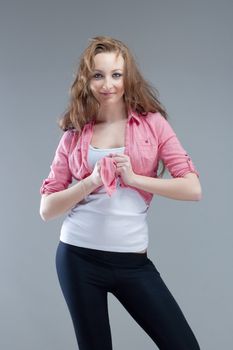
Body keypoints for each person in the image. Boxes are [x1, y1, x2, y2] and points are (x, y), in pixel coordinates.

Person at [39, 35, 202, 350]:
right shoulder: (74, 132)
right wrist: (91, 180)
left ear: (128, 77)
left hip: (133, 263)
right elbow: (47, 208)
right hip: (78, 258)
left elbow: (192, 188)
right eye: (98, 75)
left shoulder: (153, 124)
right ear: (87, 80)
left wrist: (136, 178)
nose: (108, 84)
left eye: (116, 74)